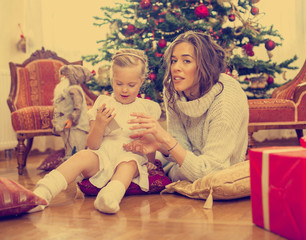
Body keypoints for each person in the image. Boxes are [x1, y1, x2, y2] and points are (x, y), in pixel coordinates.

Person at [31, 48, 161, 214]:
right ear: (112, 79)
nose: (124, 90)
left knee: (129, 164)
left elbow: (149, 146)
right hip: (103, 155)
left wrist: (148, 159)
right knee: (82, 156)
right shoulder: (103, 102)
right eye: (119, 84)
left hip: (130, 157)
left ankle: (109, 197)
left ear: (141, 82)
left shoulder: (147, 108)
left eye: (131, 85)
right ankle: (42, 193)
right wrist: (99, 124)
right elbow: (92, 145)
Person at [124, 31, 249, 182]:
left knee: (169, 168)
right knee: (133, 158)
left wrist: (166, 140)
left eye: (186, 61)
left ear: (205, 65)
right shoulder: (173, 89)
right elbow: (180, 147)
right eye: (174, 60)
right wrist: (160, 144)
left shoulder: (227, 99)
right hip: (192, 164)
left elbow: (210, 172)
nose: (176, 67)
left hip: (218, 170)